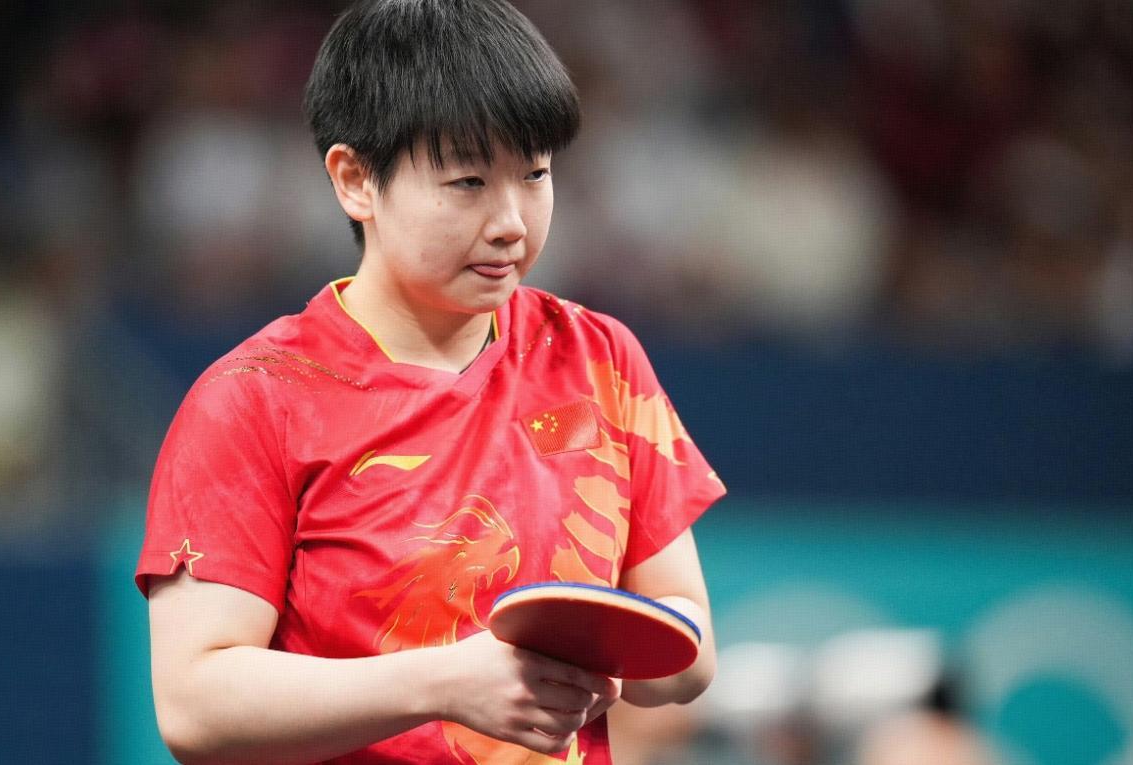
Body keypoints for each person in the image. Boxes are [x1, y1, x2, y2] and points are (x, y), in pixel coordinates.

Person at [135, 1, 726, 763]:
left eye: (535, 174)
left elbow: (687, 644)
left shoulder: (597, 356)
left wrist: (601, 647)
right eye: (468, 181)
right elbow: (195, 703)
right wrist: (445, 682)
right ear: (355, 180)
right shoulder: (255, 397)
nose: (511, 221)